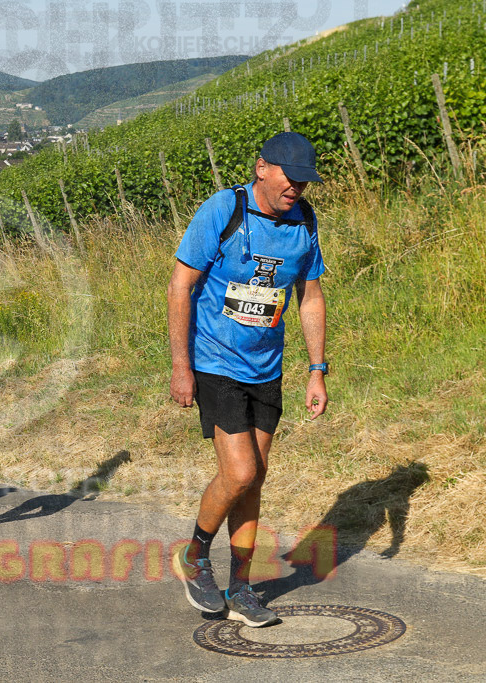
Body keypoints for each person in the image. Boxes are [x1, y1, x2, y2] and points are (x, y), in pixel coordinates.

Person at [167, 132, 329, 628]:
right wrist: (180, 365)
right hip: (216, 361)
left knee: (255, 476)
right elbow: (180, 286)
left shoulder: (304, 222)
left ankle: (241, 587)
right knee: (238, 472)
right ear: (262, 167)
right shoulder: (223, 210)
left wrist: (317, 370)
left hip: (267, 366)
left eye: (305, 180)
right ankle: (194, 555)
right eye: (290, 176)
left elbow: (311, 297)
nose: (297, 188)